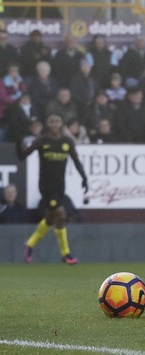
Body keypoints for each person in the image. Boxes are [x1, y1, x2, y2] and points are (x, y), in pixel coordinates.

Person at [20, 113, 88, 265]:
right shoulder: (41, 141)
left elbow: (76, 161)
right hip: (45, 186)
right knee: (60, 214)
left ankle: (29, 244)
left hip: (59, 186)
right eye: (52, 121)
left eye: (57, 121)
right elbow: (22, 156)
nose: (54, 124)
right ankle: (66, 254)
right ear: (48, 124)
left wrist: (84, 178)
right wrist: (19, 141)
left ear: (61, 123)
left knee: (51, 218)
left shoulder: (67, 142)